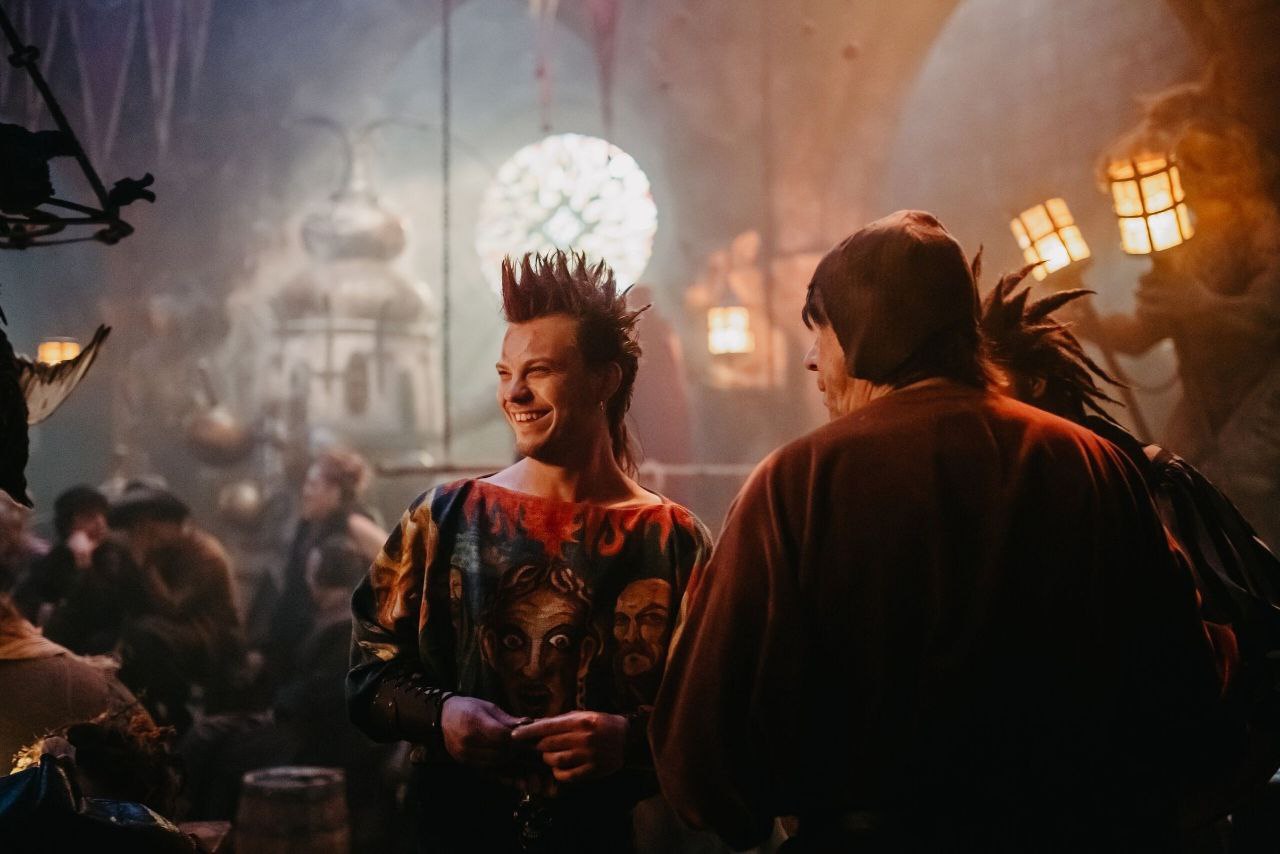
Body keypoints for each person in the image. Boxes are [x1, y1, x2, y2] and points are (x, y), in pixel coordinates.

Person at [650, 211, 1244, 853]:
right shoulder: (1094, 464)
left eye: (821, 329)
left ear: (867, 332)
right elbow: (1186, 693)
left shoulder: (799, 481)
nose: (810, 359)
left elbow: (702, 749)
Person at [347, 250, 712, 854]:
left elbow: (715, 712)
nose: (514, 392)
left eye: (539, 371)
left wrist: (629, 739)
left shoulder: (672, 541)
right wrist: (443, 714)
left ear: (605, 380)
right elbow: (366, 677)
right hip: (454, 834)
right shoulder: (444, 519)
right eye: (504, 373)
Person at [108, 482, 245, 730]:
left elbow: (174, 608)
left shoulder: (205, 552)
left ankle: (176, 709)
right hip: (173, 631)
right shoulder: (165, 550)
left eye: (150, 526)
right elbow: (131, 602)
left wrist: (145, 564)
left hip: (211, 636)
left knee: (145, 634)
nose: (146, 534)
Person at [260, 446, 384, 687]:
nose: (305, 492)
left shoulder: (355, 523)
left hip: (337, 641)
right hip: (302, 634)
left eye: (313, 485)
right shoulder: (307, 526)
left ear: (334, 491)